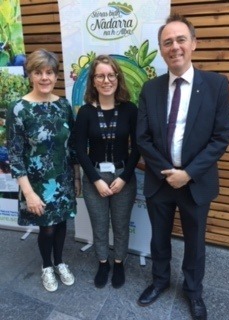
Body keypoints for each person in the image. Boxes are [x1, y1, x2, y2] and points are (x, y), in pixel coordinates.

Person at [136, 13, 229, 320]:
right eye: (167, 42)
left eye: (180, 40)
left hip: (196, 181)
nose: (174, 47)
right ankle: (160, 281)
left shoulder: (216, 85)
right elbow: (143, 137)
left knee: (195, 242)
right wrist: (169, 172)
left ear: (193, 44)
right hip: (160, 179)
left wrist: (188, 173)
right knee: (159, 237)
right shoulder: (150, 89)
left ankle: (193, 292)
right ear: (161, 49)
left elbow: (221, 137)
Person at [6, 49, 81, 292]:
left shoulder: (63, 105)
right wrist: (28, 193)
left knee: (61, 225)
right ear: (31, 75)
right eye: (38, 72)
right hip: (36, 183)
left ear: (56, 75)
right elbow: (15, 154)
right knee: (47, 227)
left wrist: (76, 177)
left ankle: (60, 262)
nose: (45, 78)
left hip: (63, 178)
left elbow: (72, 146)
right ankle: (47, 266)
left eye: (49, 72)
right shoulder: (18, 108)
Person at [74, 54, 140, 289]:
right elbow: (80, 149)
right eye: (100, 75)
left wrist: (124, 177)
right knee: (100, 225)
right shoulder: (85, 112)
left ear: (118, 78)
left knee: (121, 225)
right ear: (93, 81)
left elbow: (137, 147)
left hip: (124, 177)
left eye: (111, 75)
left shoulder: (130, 110)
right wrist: (95, 180)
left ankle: (119, 263)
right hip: (95, 178)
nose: (106, 80)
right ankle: (103, 263)